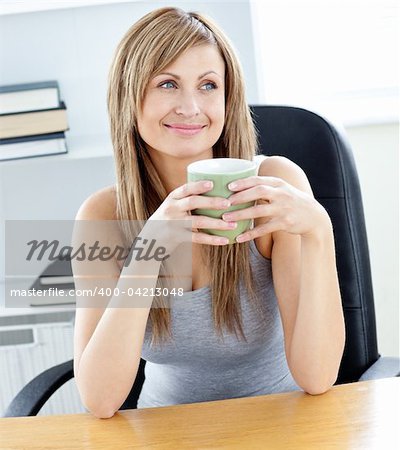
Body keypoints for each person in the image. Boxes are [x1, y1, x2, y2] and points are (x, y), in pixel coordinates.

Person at [72, 7, 345, 419]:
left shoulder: (274, 184)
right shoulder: (102, 217)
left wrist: (319, 231)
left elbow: (318, 376)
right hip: (167, 430)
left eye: (207, 85)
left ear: (226, 97)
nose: (190, 107)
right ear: (129, 97)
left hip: (280, 424)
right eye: (167, 83)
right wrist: (149, 249)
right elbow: (100, 399)